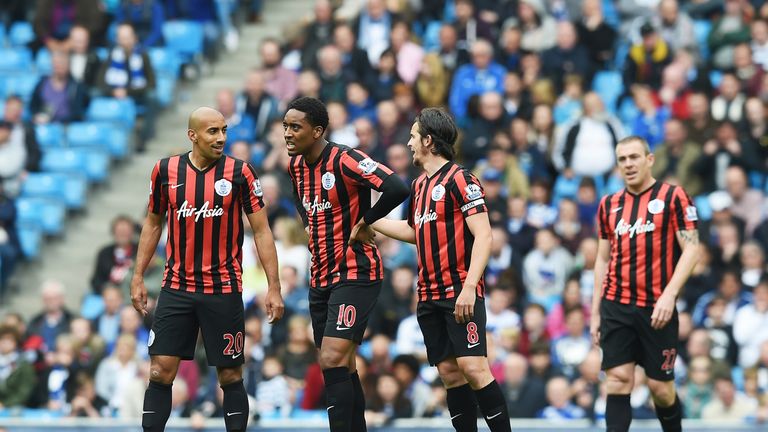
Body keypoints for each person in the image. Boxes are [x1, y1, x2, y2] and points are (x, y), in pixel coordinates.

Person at [130, 107, 285, 432]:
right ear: (192, 135)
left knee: (230, 374)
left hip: (223, 289)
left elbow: (261, 231)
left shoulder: (241, 173)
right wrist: (138, 275)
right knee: (159, 371)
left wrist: (273, 286)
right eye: (213, 131)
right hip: (177, 286)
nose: (221, 138)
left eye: (224, 130)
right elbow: (153, 223)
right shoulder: (165, 171)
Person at [371, 108, 511, 431]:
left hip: (460, 292)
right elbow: (413, 231)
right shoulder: (419, 186)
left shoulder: (461, 179)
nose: (408, 143)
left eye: (412, 136)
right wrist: (369, 221)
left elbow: (485, 235)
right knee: (450, 373)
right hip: (429, 296)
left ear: (428, 141)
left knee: (474, 368)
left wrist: (469, 287)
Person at [283, 97, 409, 431]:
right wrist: (310, 222)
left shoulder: (345, 159)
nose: (288, 133)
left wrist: (367, 221)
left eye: (295, 127)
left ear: (318, 130)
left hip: (356, 272)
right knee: (343, 365)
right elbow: (299, 196)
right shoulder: (295, 166)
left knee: (331, 358)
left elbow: (397, 186)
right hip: (320, 276)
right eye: (285, 126)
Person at [591, 136, 700, 432]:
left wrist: (670, 295)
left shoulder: (674, 197)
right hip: (616, 305)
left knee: (660, 389)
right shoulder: (608, 204)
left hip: (657, 308)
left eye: (634, 157)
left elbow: (692, 249)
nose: (628, 164)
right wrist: (595, 312)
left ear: (649, 159)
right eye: (622, 159)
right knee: (617, 380)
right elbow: (602, 260)